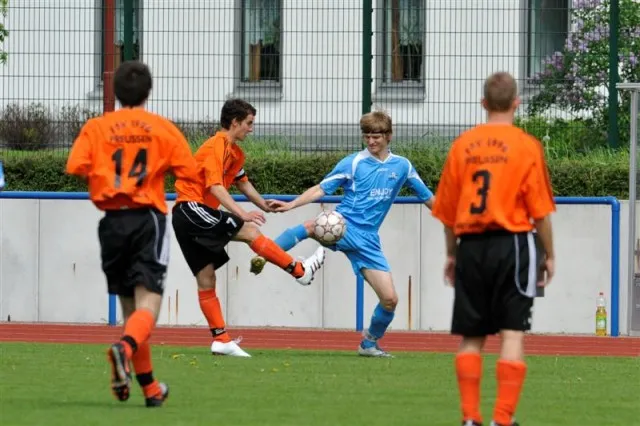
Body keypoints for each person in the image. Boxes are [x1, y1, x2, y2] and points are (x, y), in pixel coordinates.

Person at [66, 60, 200, 407]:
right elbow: (188, 170)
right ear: (148, 92)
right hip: (147, 219)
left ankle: (150, 389)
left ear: (115, 92)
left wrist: (109, 176)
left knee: (130, 310)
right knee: (148, 304)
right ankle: (123, 350)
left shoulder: (97, 127)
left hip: (112, 222)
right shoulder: (161, 128)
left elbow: (76, 166)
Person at [251, 110, 434, 357]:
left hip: (368, 240)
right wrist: (291, 204)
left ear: (389, 136)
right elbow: (321, 189)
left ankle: (369, 343)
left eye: (376, 136)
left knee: (390, 299)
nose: (371, 141)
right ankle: (265, 254)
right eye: (367, 136)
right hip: (342, 226)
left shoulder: (402, 166)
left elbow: (427, 197)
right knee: (312, 226)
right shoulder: (353, 162)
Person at [431, 71, 556, 426]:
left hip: (471, 246)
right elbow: (541, 213)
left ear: (483, 103)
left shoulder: (462, 145)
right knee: (511, 332)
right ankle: (502, 419)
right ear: (517, 103)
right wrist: (549, 254)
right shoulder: (526, 146)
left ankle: (470, 418)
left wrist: (452, 253)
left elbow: (447, 214)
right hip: (513, 244)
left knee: (472, 336)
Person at [172, 98, 325, 358]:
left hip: (190, 216)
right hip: (191, 209)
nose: (251, 129)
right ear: (235, 122)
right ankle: (300, 271)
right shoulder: (216, 145)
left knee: (206, 278)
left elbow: (242, 183)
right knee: (250, 232)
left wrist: (265, 205)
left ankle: (221, 339)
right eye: (249, 123)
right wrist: (242, 214)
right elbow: (215, 187)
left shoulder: (234, 153)